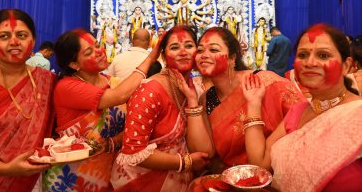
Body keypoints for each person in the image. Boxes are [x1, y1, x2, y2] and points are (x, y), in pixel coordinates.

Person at [243, 23, 362, 191]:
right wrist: (253, 103)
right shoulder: (297, 111)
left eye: (323, 55)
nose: (310, 62)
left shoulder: (357, 116)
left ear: (346, 66)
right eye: (303, 55)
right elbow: (260, 163)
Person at [43, 28, 161, 191]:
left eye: (98, 45)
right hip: (69, 181)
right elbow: (119, 96)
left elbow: (130, 125)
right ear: (74, 64)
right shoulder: (67, 87)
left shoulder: (113, 82)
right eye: (89, 51)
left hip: (104, 177)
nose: (99, 52)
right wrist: (151, 57)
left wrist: (113, 142)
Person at [111, 25, 214, 191]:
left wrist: (193, 100)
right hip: (141, 182)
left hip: (178, 180)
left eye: (189, 46)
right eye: (174, 47)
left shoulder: (194, 88)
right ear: (164, 57)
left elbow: (205, 151)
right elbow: (133, 152)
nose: (183, 52)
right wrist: (185, 162)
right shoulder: (149, 91)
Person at [194, 27, 306, 172]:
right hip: (236, 179)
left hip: (283, 173)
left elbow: (304, 118)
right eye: (200, 50)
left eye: (214, 50)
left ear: (232, 58)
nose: (204, 55)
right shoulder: (206, 100)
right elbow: (208, 154)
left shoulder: (264, 81)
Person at [0, 9, 55, 191]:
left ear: (34, 41)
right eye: (4, 36)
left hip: (36, 180)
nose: (14, 42)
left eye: (22, 35)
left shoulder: (48, 81)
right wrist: (5, 168)